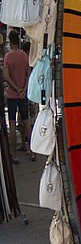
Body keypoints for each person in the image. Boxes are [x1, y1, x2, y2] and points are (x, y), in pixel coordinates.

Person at [3, 31, 33, 163]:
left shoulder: (8, 57)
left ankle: (14, 155)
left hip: (12, 94)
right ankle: (32, 151)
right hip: (23, 94)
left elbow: (6, 77)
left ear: (10, 41)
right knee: (27, 122)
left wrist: (16, 89)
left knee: (12, 123)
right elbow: (28, 74)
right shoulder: (24, 56)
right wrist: (24, 89)